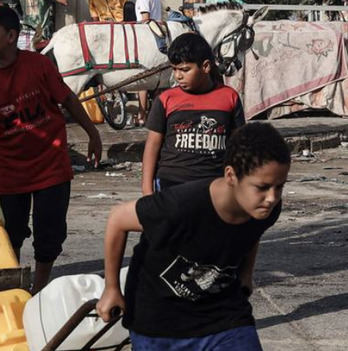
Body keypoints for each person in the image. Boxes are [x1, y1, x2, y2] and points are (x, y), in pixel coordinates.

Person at [97, 122, 291, 350]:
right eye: (262, 187)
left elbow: (252, 233)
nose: (272, 197)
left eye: (279, 187)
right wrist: (111, 289)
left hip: (223, 315)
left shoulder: (265, 210)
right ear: (231, 175)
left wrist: (246, 273)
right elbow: (117, 218)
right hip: (159, 320)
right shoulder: (181, 206)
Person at [0, 6, 102, 294]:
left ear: (11, 36)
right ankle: (13, 289)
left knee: (49, 237)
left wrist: (93, 133)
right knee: (10, 234)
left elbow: (68, 99)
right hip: (13, 171)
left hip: (52, 167)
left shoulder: (39, 65)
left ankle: (37, 291)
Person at [141, 33, 245, 195]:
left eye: (184, 70)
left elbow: (238, 144)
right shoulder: (166, 100)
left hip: (215, 184)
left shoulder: (229, 97)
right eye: (174, 69)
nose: (178, 76)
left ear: (205, 67)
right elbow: (152, 146)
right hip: (172, 183)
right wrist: (147, 190)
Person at [134, 0, 161, 126]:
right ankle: (155, 115)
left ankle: (142, 115)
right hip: (157, 38)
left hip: (146, 39)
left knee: (143, 80)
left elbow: (145, 19)